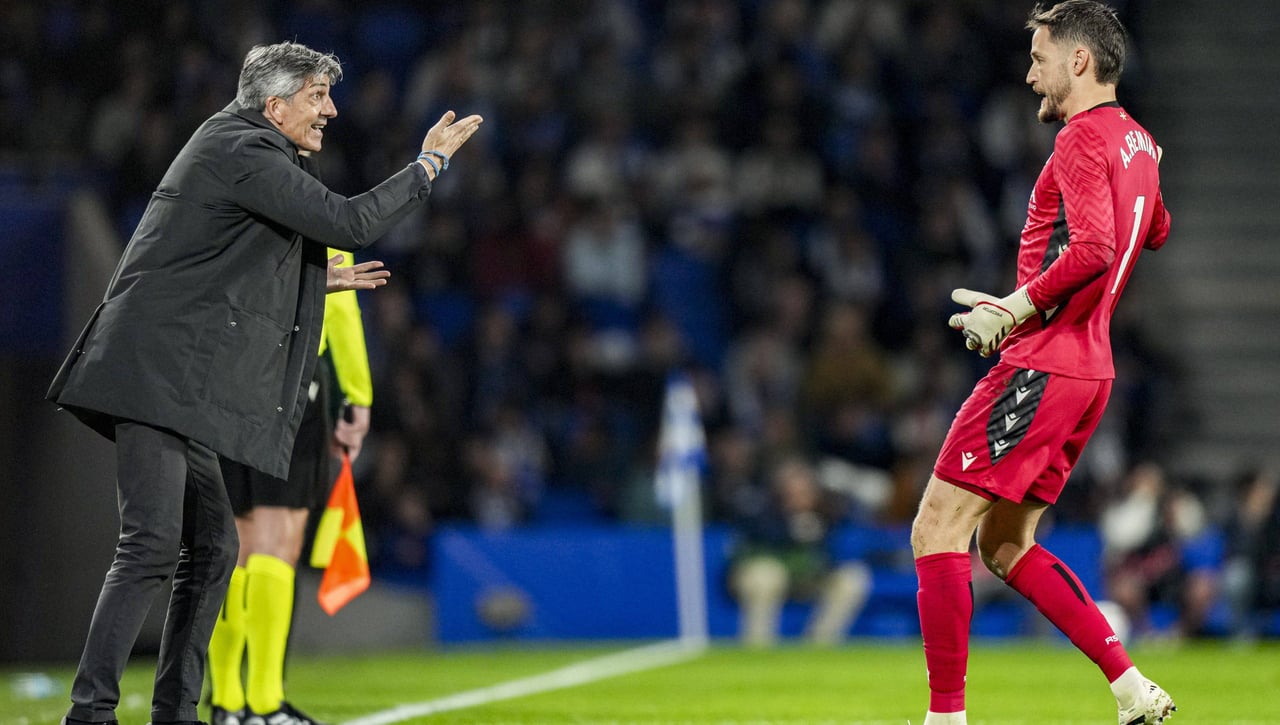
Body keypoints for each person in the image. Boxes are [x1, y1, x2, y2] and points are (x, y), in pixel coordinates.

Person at [47, 41, 481, 725]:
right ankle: (89, 713)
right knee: (152, 543)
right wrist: (429, 164)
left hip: (174, 381)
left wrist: (323, 277)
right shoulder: (243, 149)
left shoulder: (244, 150)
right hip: (154, 373)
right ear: (275, 105)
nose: (331, 109)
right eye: (317, 96)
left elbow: (221, 261)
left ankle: (178, 712)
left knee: (215, 545)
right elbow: (349, 221)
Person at [910, 3, 1174, 724]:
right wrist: (1142, 168)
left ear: (1079, 62)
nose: (1031, 76)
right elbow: (1153, 229)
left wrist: (1018, 308)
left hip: (1045, 363)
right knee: (1004, 542)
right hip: (1091, 368)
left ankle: (946, 718)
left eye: (1040, 58)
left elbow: (1091, 247)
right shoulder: (1138, 143)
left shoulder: (1082, 138)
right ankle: (1130, 688)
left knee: (937, 528)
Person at [206, 248, 375, 725]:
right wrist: (358, 396)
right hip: (290, 378)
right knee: (276, 542)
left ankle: (225, 701)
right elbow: (340, 304)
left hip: (226, 380)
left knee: (234, 546)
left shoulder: (229, 207)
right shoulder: (313, 210)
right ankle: (264, 703)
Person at [728, 456, 871, 647]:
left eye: (805, 491)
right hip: (758, 577)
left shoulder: (826, 512)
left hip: (805, 578)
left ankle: (818, 645)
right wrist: (788, 529)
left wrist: (822, 523)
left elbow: (842, 538)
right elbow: (754, 537)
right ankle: (757, 647)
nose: (799, 496)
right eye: (792, 491)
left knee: (852, 578)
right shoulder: (761, 510)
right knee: (767, 576)